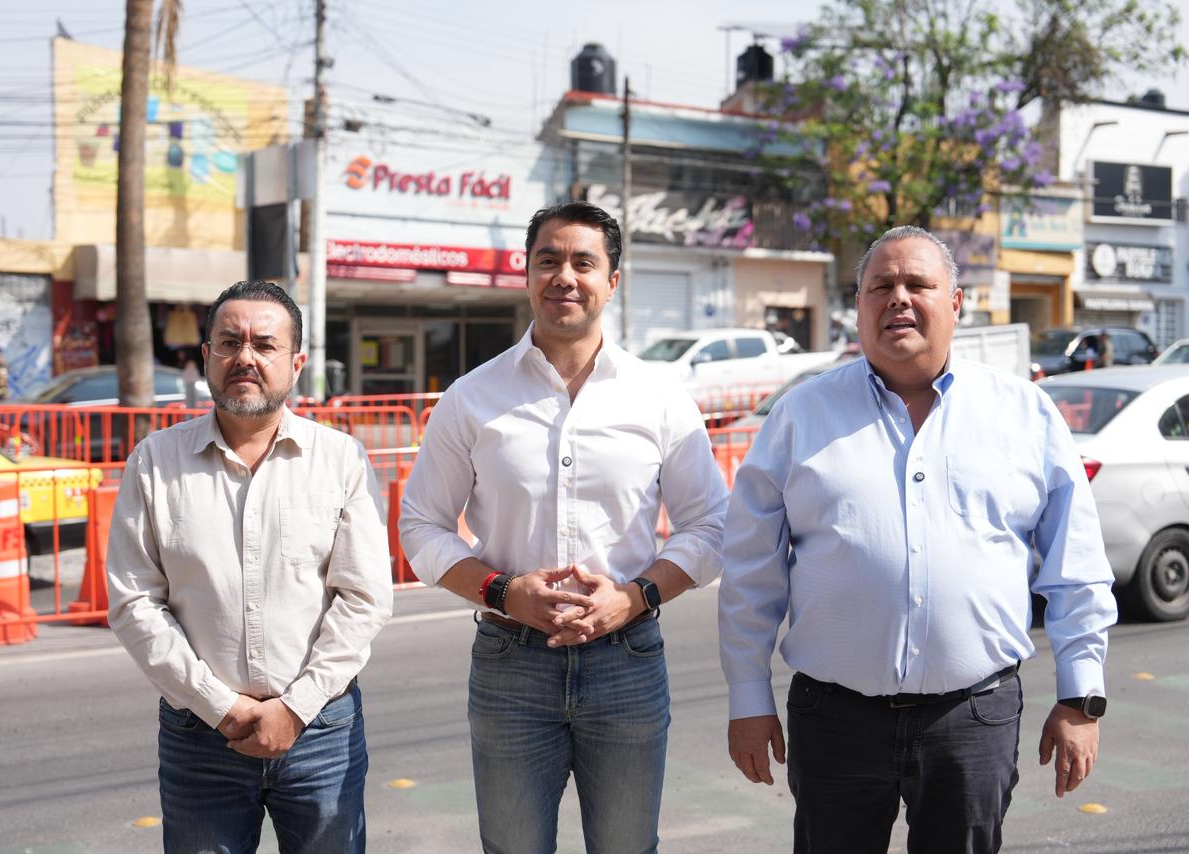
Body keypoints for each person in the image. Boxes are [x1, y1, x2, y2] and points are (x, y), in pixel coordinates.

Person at [719, 225, 1118, 854]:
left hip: (974, 717)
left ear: (955, 303)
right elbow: (751, 570)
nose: (898, 298)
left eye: (917, 284)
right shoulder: (801, 415)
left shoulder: (1024, 414)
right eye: (881, 286)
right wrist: (748, 697)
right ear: (859, 306)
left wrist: (1080, 697)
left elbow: (1077, 565)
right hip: (835, 721)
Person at [399, 200, 728, 854]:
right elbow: (421, 525)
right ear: (526, 274)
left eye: (584, 262)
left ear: (613, 280)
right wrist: (502, 591)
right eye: (548, 260)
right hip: (510, 663)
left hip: (628, 661)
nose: (565, 277)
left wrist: (635, 596)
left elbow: (710, 525)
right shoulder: (472, 397)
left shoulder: (660, 397)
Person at [107, 280, 393, 854]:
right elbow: (135, 601)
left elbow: (363, 598)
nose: (245, 358)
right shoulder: (155, 462)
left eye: (265, 345)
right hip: (200, 736)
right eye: (229, 342)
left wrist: (295, 709)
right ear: (206, 356)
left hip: (320, 732)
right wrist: (221, 707)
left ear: (296, 364)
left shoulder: (340, 460)